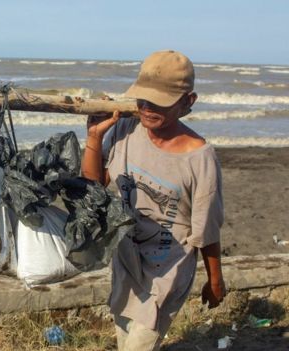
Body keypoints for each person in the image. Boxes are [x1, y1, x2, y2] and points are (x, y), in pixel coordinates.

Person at [81, 50, 226, 350]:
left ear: (188, 102)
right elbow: (94, 186)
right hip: (126, 258)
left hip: (167, 271)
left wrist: (215, 280)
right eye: (143, 98)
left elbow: (207, 230)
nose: (147, 108)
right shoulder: (126, 129)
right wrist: (94, 137)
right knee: (125, 342)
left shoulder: (200, 158)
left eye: (159, 101)